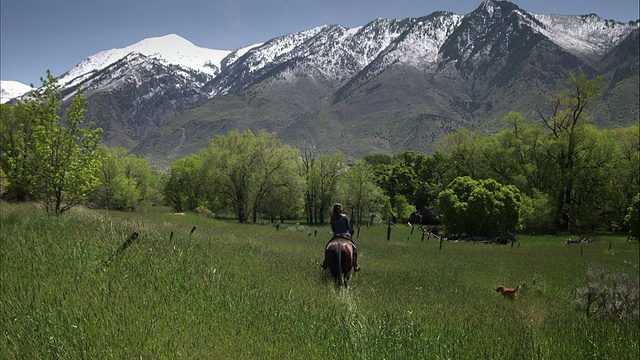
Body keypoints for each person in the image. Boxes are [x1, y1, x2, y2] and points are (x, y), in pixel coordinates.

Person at [325, 203, 360, 271]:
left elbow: (333, 229)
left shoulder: (332, 218)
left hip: (336, 235)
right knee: (354, 247)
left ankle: (325, 262)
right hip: (346, 234)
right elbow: (347, 227)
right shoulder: (344, 216)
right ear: (341, 209)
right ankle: (355, 263)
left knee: (327, 247)